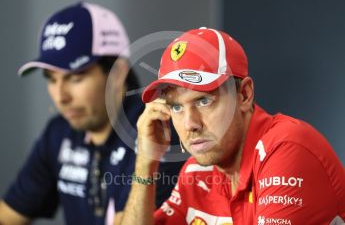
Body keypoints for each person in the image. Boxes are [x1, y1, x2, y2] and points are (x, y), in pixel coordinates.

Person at [120, 27, 345, 224]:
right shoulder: (197, 172)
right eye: (177, 107)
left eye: (204, 101)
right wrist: (146, 162)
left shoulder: (287, 149)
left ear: (244, 95)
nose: (190, 124)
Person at [0, 2, 184, 225]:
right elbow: (8, 214)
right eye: (51, 78)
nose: (60, 96)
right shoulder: (59, 132)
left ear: (118, 73)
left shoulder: (156, 131)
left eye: (75, 77)